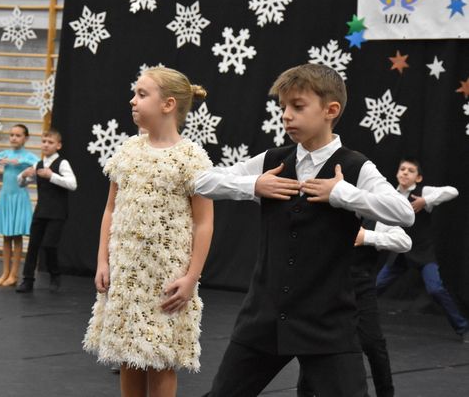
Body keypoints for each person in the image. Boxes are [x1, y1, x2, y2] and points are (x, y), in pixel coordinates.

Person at [194, 63, 415, 397]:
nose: (286, 115)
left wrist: (343, 194)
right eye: (283, 107)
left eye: (297, 106)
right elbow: (202, 181)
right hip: (263, 319)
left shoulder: (355, 167)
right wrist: (253, 185)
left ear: (331, 110)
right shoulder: (272, 161)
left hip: (327, 324)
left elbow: (404, 213)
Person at [82, 67, 214, 397]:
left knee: (159, 357)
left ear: (168, 104)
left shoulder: (191, 158)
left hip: (166, 276)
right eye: (135, 93)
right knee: (128, 353)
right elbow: (110, 209)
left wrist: (191, 277)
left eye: (142, 94)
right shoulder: (128, 151)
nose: (133, 100)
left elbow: (204, 222)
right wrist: (103, 261)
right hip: (127, 274)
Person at [297, 219, 412, 397]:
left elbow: (404, 242)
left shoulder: (373, 216)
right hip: (326, 288)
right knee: (316, 345)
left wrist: (366, 236)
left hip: (360, 289)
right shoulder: (328, 212)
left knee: (373, 344)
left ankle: (386, 393)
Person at [376, 157, 469, 343]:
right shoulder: (391, 196)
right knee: (374, 287)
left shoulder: (422, 193)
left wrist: (425, 201)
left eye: (410, 171)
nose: (405, 173)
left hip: (423, 253)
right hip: (400, 254)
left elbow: (453, 191)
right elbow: (382, 224)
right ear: (397, 173)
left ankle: (464, 327)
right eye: (402, 169)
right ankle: (351, 321)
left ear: (418, 178)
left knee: (436, 290)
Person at [15, 129, 77, 293]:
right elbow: (21, 183)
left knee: (49, 245)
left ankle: (55, 275)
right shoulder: (38, 164)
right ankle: (28, 280)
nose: (46, 145)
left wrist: (51, 176)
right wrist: (23, 175)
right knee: (33, 246)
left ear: (58, 145)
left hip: (57, 212)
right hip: (41, 211)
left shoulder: (62, 163)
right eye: (44, 141)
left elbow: (72, 184)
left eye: (50, 142)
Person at [0, 124, 39, 286]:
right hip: (6, 199)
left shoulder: (28, 155)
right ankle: (5, 272)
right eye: (12, 135)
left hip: (19, 199)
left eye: (18, 135)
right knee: (6, 236)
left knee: (17, 237)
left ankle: (14, 274)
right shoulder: (5, 153)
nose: (14, 138)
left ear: (26, 138)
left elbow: (40, 165)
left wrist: (21, 161)